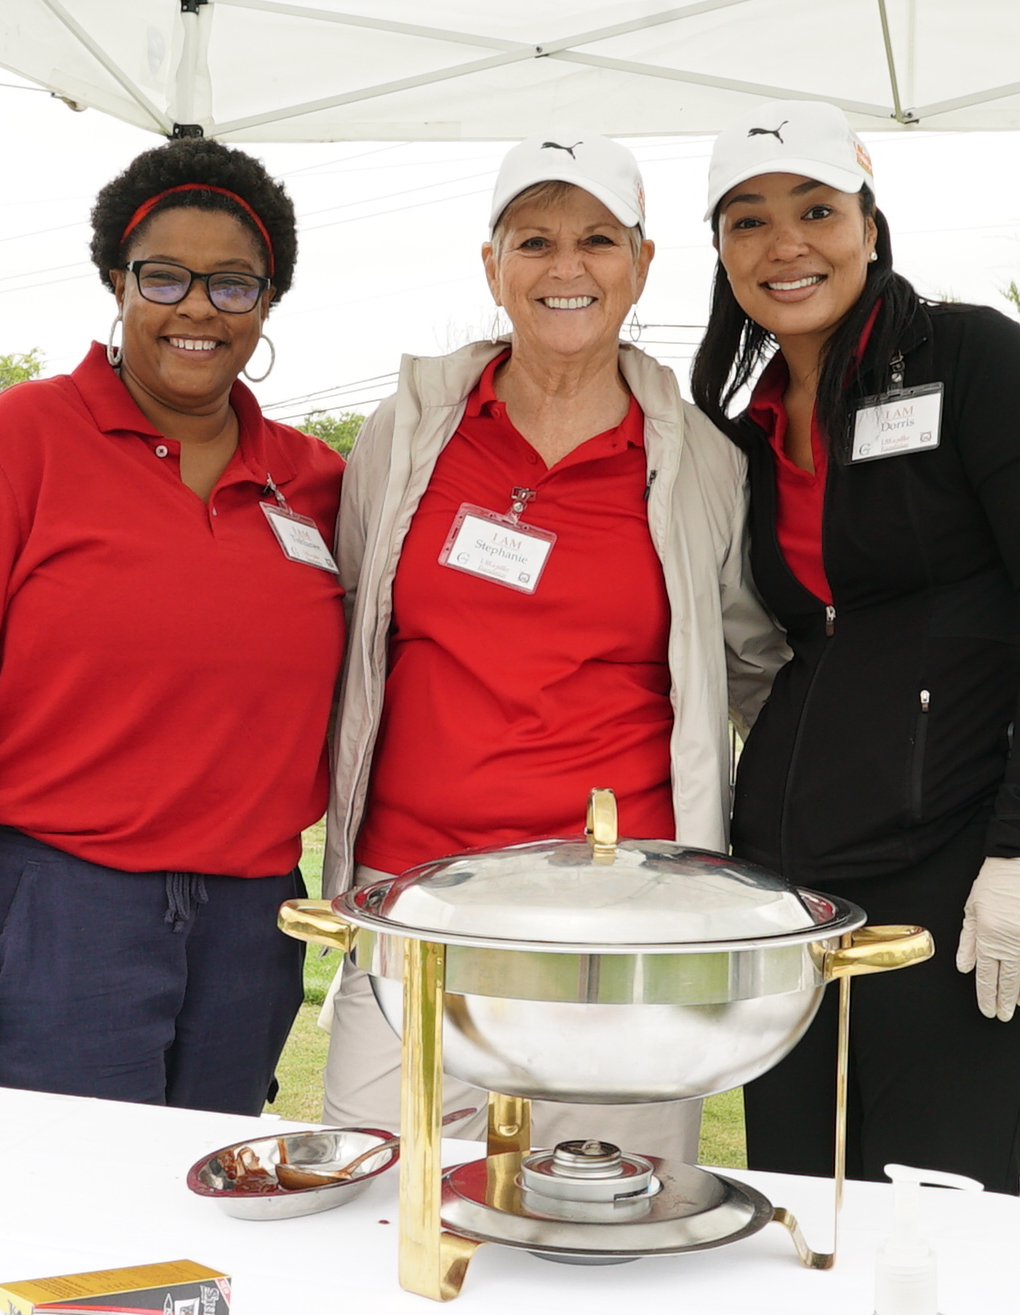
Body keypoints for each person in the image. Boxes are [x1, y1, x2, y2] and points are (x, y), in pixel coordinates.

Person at [318, 130, 785, 1159]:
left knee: (603, 1233)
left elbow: (753, 668)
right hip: (415, 911)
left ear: (643, 264)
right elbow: (354, 621)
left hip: (619, 935)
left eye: (597, 240)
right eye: (532, 241)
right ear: (490, 265)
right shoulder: (410, 432)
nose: (564, 268)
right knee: (374, 1208)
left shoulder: (703, 461)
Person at [0, 138, 345, 1117]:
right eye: (163, 277)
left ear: (268, 302)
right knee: (53, 1217)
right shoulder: (16, 441)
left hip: (253, 920)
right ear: (115, 283)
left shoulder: (318, 483)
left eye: (233, 285)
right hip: (59, 909)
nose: (197, 308)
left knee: (205, 1206)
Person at [692, 101, 1020, 1194]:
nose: (784, 245)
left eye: (814, 210)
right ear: (721, 254)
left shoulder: (972, 357)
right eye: (746, 221)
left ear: (868, 227)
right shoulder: (740, 425)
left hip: (957, 871)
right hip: (787, 881)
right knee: (794, 1199)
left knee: (939, 1213)